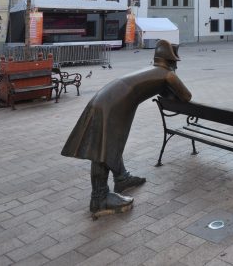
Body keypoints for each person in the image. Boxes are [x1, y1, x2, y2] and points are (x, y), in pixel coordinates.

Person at [61, 40, 192, 218]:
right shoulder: (168, 75)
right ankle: (99, 198)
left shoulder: (152, 70)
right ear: (172, 61)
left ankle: (121, 178)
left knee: (110, 143)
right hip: (115, 106)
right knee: (104, 148)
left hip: (108, 98)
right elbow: (186, 96)